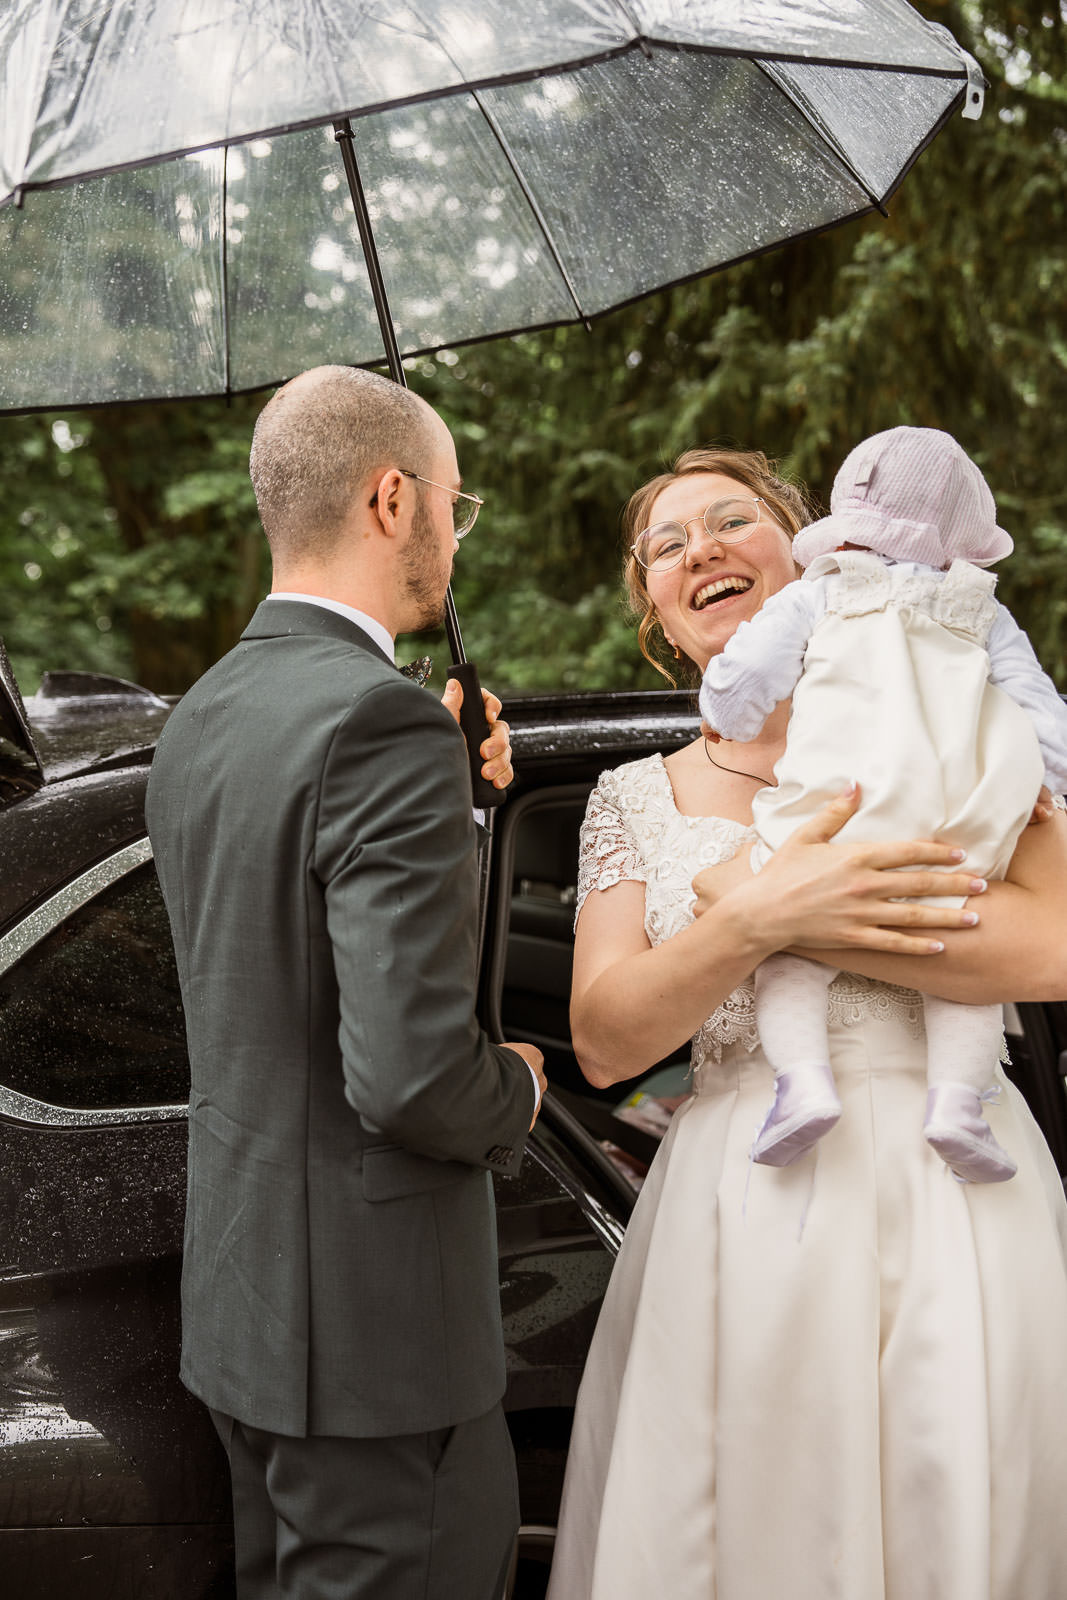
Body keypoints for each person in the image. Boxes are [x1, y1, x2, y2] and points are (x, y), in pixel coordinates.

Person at [546, 446, 1067, 1599]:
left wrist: (791, 914)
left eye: (733, 520)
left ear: (815, 549)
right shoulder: (635, 796)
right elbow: (606, 1039)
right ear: (659, 616)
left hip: (959, 1190)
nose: (702, 550)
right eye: (667, 546)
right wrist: (753, 918)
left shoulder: (965, 709)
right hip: (748, 1200)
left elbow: (1054, 945)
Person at [145, 364, 547, 1600]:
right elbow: (414, 1077)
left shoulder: (203, 715)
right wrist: (521, 1088)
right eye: (453, 506)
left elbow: (285, 957)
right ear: (390, 499)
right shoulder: (379, 725)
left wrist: (463, 804)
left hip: (248, 1328)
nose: (452, 536)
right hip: (380, 1362)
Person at [697, 427, 1067, 1181]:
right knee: (957, 964)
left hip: (837, 812)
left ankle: (801, 1086)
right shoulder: (981, 609)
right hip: (949, 829)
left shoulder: (820, 592)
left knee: (789, 954)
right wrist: (1045, 784)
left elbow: (742, 682)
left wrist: (726, 715)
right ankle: (957, 1103)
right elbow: (1040, 708)